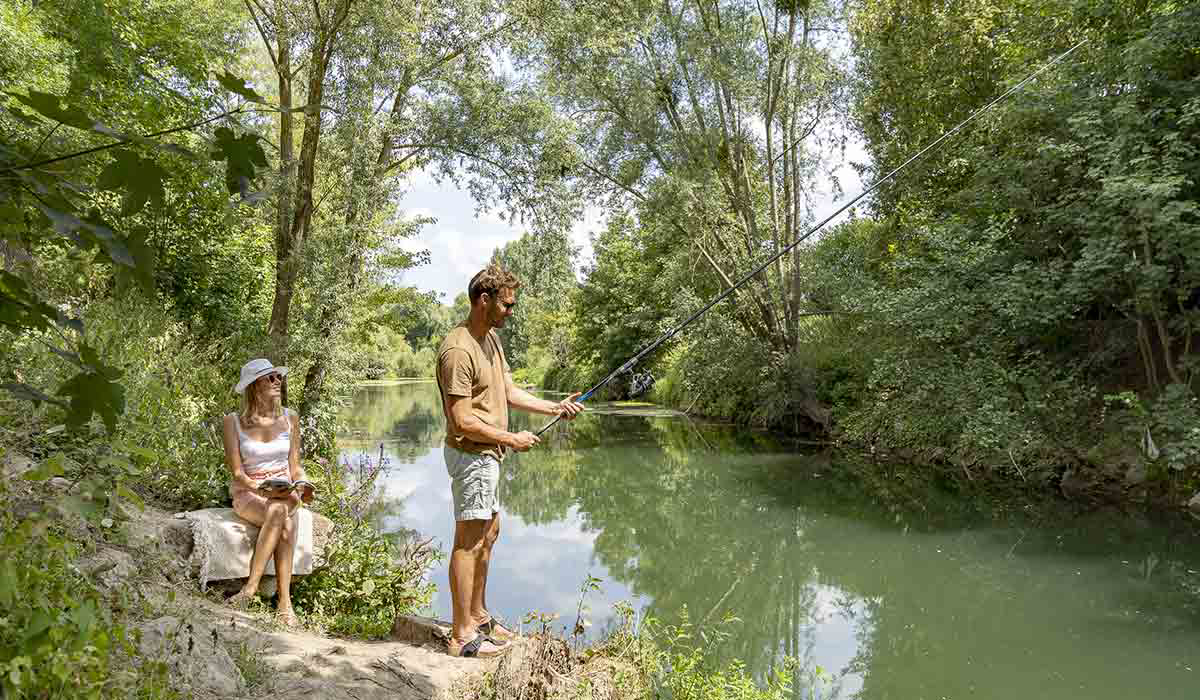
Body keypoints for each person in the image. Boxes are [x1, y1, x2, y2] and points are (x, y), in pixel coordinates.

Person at [436, 264, 585, 658]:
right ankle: (461, 636)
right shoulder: (458, 349)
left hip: (489, 454)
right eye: (507, 304)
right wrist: (511, 438)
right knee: (469, 541)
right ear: (483, 300)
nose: (511, 311)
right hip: (471, 454)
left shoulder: (490, 340)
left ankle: (479, 616)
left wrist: (555, 406)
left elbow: (509, 391)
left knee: (489, 534)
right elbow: (461, 421)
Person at [220, 358, 314, 627]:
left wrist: (303, 482)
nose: (277, 381)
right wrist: (259, 489)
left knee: (279, 507)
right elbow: (237, 473)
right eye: (270, 378)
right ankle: (284, 604)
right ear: (253, 386)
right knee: (283, 520)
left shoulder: (290, 418)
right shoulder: (233, 422)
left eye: (278, 376)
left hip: (284, 491)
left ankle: (250, 590)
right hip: (250, 492)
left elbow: (295, 467)